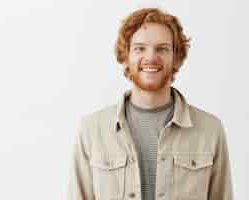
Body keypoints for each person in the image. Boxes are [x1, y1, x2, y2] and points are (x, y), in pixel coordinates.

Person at [67, 7, 233, 200]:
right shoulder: (92, 130)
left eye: (162, 48)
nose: (151, 58)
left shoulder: (210, 130)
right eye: (140, 48)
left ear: (176, 57)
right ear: (126, 55)